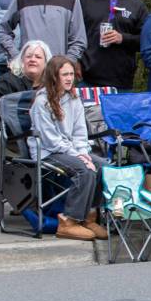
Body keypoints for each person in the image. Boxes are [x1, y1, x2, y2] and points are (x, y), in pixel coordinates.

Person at [29, 56, 108, 241]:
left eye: (71, 74)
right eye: (64, 74)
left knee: (102, 166)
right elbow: (50, 140)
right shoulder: (42, 102)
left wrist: (83, 153)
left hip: (70, 150)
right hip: (48, 152)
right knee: (84, 170)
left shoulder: (74, 98)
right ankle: (68, 221)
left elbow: (80, 132)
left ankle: (89, 217)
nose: (69, 78)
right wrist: (79, 157)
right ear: (54, 76)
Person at [78, 0, 149, 89]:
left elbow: (146, 41)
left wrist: (122, 38)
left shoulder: (136, 5)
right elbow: (74, 34)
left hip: (121, 82)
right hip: (88, 80)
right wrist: (75, 62)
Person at [0, 40, 52, 129]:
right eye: (28, 56)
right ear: (22, 60)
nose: (32, 59)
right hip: (15, 134)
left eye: (38, 57)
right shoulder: (7, 81)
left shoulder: (51, 84)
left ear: (46, 62)